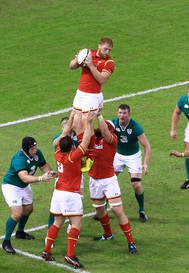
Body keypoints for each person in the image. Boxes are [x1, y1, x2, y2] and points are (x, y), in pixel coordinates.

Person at [42, 112, 94, 269]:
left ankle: (47, 250)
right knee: (76, 223)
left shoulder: (57, 153)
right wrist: (88, 123)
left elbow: (64, 133)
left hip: (57, 193)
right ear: (71, 146)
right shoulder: (73, 157)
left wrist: (71, 118)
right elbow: (86, 140)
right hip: (70, 194)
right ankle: (70, 255)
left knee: (58, 221)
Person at [89, 114, 137, 254]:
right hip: (94, 180)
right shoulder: (93, 139)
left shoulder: (112, 140)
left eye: (104, 127)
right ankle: (108, 234)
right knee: (99, 210)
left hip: (109, 180)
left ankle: (131, 241)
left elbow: (104, 132)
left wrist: (99, 115)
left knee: (117, 211)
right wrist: (88, 118)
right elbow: (90, 130)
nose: (100, 129)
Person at [1, 137, 55, 254]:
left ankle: (20, 232)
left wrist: (52, 173)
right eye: (32, 148)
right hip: (12, 187)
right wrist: (41, 178)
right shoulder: (18, 159)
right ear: (26, 149)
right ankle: (6, 241)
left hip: (24, 186)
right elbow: (24, 178)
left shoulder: (37, 153)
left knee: (28, 210)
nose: (35, 150)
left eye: (35, 147)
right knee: (17, 213)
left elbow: (44, 166)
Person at [69, 37, 115, 172]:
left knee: (87, 122)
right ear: (99, 45)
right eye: (105, 48)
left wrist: (90, 65)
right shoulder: (88, 54)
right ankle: (83, 154)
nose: (107, 52)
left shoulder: (109, 63)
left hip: (93, 95)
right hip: (80, 93)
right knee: (77, 124)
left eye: (109, 50)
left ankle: (90, 156)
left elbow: (101, 79)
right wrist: (78, 60)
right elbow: (71, 66)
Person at [112, 104, 151, 222]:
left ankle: (142, 210)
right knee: (108, 180)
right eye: (120, 113)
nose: (122, 115)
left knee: (136, 184)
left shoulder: (135, 127)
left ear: (129, 114)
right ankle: (101, 209)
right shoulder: (113, 124)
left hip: (133, 156)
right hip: (118, 155)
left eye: (124, 113)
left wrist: (145, 163)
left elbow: (146, 146)